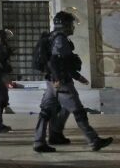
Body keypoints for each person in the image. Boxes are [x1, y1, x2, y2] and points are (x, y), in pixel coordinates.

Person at [33, 11, 113, 153]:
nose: (73, 27)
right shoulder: (60, 39)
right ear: (64, 25)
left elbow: (63, 62)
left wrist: (77, 77)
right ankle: (94, 140)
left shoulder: (51, 37)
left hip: (51, 81)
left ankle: (41, 140)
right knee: (78, 111)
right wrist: (59, 79)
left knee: (46, 111)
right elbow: (55, 61)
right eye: (70, 24)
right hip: (61, 82)